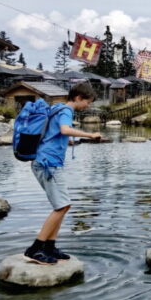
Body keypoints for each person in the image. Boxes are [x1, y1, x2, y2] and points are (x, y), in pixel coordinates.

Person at [23, 82, 102, 265]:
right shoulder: (66, 111)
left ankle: (50, 247)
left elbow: (55, 134)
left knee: (63, 206)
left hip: (45, 161)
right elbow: (64, 129)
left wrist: (66, 142)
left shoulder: (57, 109)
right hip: (48, 164)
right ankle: (35, 249)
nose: (88, 106)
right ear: (78, 98)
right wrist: (90, 135)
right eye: (87, 102)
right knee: (62, 206)